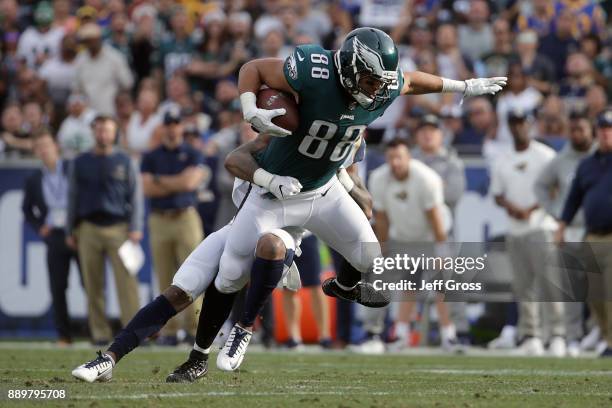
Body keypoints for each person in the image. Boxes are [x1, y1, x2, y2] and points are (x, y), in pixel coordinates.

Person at [72, 27, 506, 380]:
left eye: (380, 83)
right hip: (270, 205)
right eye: (371, 81)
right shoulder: (300, 93)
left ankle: (329, 288)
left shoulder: (377, 92)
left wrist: (462, 85)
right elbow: (251, 86)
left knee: (373, 258)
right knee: (219, 279)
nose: (378, 91)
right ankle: (173, 348)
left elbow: (410, 81)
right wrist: (253, 122)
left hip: (321, 194)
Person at [71, 134, 370, 383]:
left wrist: (338, 177)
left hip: (286, 231)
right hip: (241, 224)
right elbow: (234, 160)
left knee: (269, 246)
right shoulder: (278, 136)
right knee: (181, 290)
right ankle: (111, 358)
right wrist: (268, 176)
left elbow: (364, 205)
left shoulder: (341, 147)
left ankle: (244, 327)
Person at [489, 109, 565, 356]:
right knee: (523, 287)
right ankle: (531, 335)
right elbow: (498, 194)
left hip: (541, 226)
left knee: (551, 283)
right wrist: (513, 208)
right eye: (514, 123)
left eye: (522, 123)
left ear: (530, 125)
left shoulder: (544, 155)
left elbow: (557, 188)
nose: (518, 127)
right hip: (515, 229)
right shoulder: (503, 158)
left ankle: (557, 335)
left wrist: (531, 208)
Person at [66, 115, 143, 345]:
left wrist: (135, 227)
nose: (103, 134)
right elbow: (72, 197)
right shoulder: (79, 162)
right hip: (88, 228)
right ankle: (99, 333)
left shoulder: (125, 161)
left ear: (114, 132)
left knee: (127, 284)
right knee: (93, 284)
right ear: (93, 132)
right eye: (99, 130)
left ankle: (133, 332)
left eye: (107, 130)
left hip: (119, 228)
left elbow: (135, 196)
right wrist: (71, 229)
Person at [534, 109, 597, 357]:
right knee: (572, 289)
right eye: (573, 129)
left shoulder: (601, 158)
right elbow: (540, 185)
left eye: (581, 129)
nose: (576, 134)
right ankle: (573, 336)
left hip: (597, 229)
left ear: (590, 130)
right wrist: (555, 211)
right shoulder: (561, 160)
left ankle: (599, 333)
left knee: (599, 288)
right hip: (569, 228)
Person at [140, 109, 205, 345]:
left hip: (185, 217)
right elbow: (147, 188)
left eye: (176, 123)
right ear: (163, 127)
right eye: (168, 123)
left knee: (195, 274)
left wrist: (160, 180)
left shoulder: (193, 152)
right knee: (165, 277)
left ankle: (195, 328)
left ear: (181, 127)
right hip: (159, 218)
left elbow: (190, 183)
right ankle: (169, 331)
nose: (172, 128)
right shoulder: (151, 155)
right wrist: (177, 182)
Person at [557, 108, 612, 357]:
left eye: (610, 129)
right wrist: (561, 225)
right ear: (596, 132)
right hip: (592, 235)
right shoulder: (587, 165)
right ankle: (608, 339)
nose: (606, 134)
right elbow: (573, 199)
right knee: (595, 295)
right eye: (602, 129)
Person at [22, 130, 80, 345]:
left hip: (77, 233)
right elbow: (27, 210)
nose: (45, 150)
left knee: (90, 284)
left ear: (56, 146)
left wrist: (79, 224)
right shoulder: (33, 179)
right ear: (36, 151)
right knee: (57, 287)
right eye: (40, 147)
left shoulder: (72, 169)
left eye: (47, 145)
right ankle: (64, 335)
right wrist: (39, 227)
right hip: (54, 236)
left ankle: (97, 332)